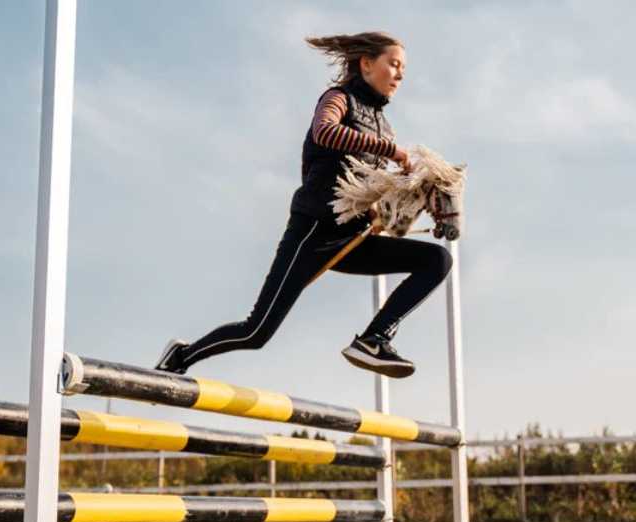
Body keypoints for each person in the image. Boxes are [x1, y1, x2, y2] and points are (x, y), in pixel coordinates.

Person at [156, 32, 452, 379]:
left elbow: (372, 189)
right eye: (395, 64)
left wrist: (414, 206)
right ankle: (181, 356)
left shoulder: (385, 126)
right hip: (313, 230)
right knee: (256, 332)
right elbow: (324, 131)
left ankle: (374, 339)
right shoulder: (337, 98)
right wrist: (392, 152)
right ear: (367, 64)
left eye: (404, 68)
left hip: (352, 239)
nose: (401, 75)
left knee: (437, 259)